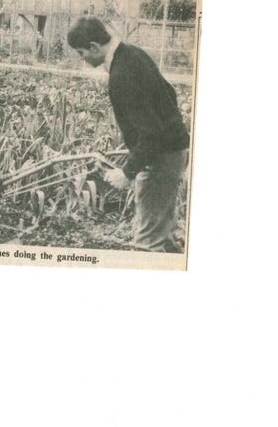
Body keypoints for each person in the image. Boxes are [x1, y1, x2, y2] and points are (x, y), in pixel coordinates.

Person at [67, 16, 191, 253]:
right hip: (170, 151)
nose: (83, 59)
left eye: (81, 52)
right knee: (162, 229)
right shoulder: (133, 54)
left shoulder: (121, 74)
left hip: (161, 159)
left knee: (147, 242)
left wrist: (127, 172)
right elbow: (169, 94)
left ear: (94, 47)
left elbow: (151, 132)